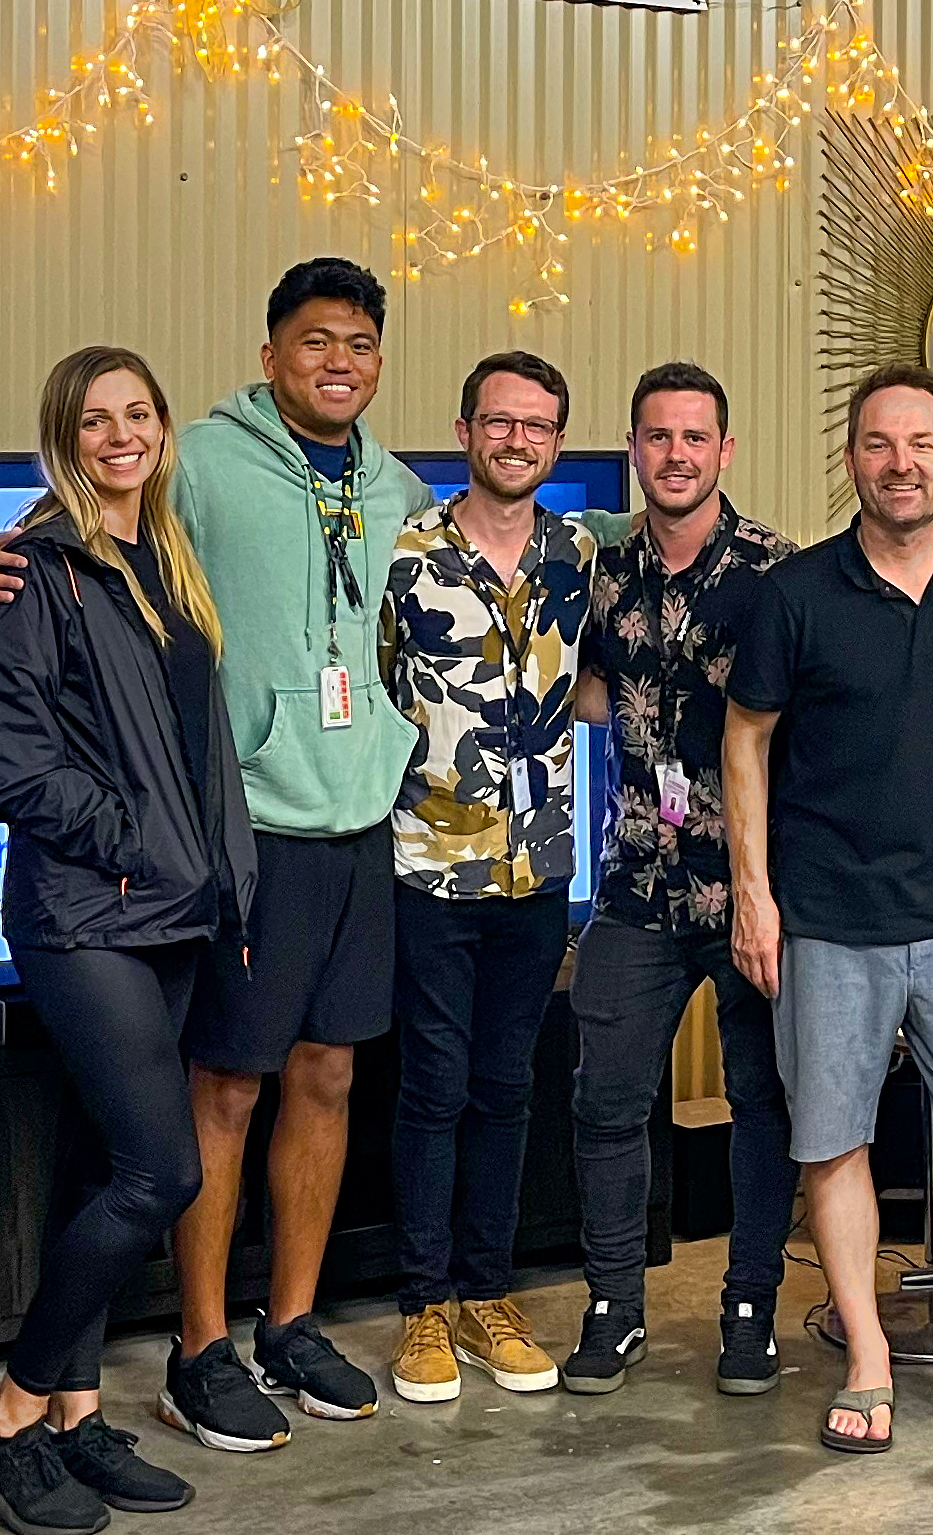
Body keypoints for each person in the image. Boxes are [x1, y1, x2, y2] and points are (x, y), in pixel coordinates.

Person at [0, 258, 431, 1448]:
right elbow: (82, 546)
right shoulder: (204, 465)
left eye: (362, 344)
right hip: (241, 833)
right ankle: (201, 1343)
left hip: (358, 821)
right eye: (316, 341)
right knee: (222, 1089)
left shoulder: (399, 490)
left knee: (328, 1076)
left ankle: (291, 1321)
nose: (341, 362)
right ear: (270, 354)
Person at [0, 347, 257, 1535]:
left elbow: (196, 746)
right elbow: (8, 765)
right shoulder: (39, 568)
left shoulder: (164, 563)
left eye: (137, 414)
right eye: (94, 419)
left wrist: (217, 873)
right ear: (63, 437)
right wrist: (134, 841)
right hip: (87, 915)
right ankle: (10, 1413)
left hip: (173, 910)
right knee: (159, 1172)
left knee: (95, 1164)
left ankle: (76, 1412)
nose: (119, 434)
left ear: (163, 429)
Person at [725, 365, 933, 1454]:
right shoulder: (797, 592)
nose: (900, 463)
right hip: (825, 915)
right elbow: (746, 739)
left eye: (920, 444)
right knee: (833, 1141)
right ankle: (867, 1353)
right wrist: (755, 897)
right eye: (877, 444)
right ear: (853, 459)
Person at [564, 363, 804, 1399]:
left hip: (749, 885)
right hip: (636, 883)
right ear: (635, 450)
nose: (675, 456)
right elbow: (572, 684)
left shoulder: (779, 573)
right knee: (607, 1099)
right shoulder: (600, 569)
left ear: (726, 452)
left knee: (765, 1101)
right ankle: (614, 1305)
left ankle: (750, 1305)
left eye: (694, 438)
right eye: (657, 438)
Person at [378, 352, 596, 1403]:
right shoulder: (407, 551)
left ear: (557, 442)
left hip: (538, 871)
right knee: (431, 1087)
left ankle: (486, 1295)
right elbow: (375, 687)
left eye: (539, 426)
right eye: (500, 422)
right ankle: (421, 1307)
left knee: (508, 1089)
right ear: (466, 429)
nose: (518, 440)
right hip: (427, 867)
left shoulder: (579, 552)